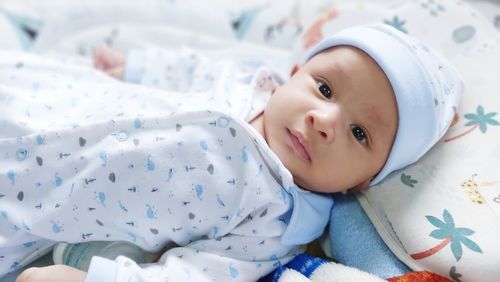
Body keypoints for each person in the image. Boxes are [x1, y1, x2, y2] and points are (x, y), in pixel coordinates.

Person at [1, 24, 462, 282]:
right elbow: (193, 69)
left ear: (363, 181)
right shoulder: (251, 83)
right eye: (323, 88)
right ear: (295, 72)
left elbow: (195, 277)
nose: (324, 122)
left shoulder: (279, 222)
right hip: (56, 99)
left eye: (360, 133)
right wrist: (137, 66)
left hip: (37, 206)